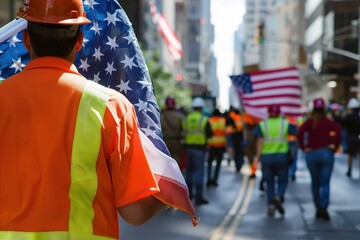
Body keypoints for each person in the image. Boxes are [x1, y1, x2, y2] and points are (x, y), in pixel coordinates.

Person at [0, 1, 165, 239]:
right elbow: (136, 212)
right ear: (79, 41)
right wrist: (166, 190)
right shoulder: (111, 107)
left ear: (26, 40)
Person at [297, 98, 341, 221]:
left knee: (315, 183)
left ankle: (318, 207)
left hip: (312, 154)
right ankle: (324, 207)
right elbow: (338, 132)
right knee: (325, 183)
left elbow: (300, 133)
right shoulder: (328, 122)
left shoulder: (310, 122)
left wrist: (304, 147)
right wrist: (334, 146)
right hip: (326, 153)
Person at [253, 104, 297, 216]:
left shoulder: (263, 125)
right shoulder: (285, 123)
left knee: (270, 182)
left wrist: (257, 159)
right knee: (283, 180)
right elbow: (296, 132)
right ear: (279, 113)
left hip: (266, 157)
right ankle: (279, 197)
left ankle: (271, 205)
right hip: (282, 157)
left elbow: (259, 142)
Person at [182, 97, 210, 205]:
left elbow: (183, 132)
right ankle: (199, 197)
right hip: (200, 149)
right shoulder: (204, 119)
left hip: (188, 148)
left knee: (189, 173)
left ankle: (189, 196)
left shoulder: (186, 119)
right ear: (201, 108)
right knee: (199, 172)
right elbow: (209, 133)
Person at [332, 98, 360, 178]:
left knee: (350, 154)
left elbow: (342, 121)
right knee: (358, 154)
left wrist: (335, 116)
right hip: (357, 137)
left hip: (351, 137)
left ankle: (349, 170)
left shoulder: (350, 115)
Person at [160, 96, 185, 168]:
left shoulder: (160, 117)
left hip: (165, 142)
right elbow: (185, 131)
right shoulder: (181, 117)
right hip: (177, 142)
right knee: (176, 163)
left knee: (165, 163)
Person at [207, 108, 227, 187]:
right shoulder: (223, 121)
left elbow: (208, 133)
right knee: (218, 164)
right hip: (221, 146)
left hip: (211, 146)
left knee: (209, 163)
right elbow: (226, 132)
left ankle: (209, 179)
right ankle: (215, 180)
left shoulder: (210, 121)